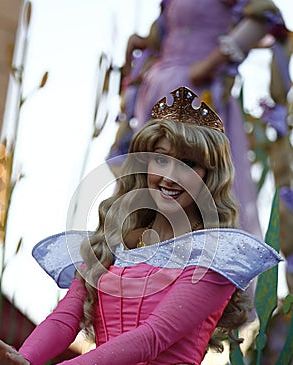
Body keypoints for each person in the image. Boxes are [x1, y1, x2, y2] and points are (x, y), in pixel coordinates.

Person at [0, 87, 281, 365]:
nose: (171, 176)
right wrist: (23, 361)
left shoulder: (215, 254)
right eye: (161, 160)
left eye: (189, 164)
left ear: (210, 176)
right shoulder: (111, 246)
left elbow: (153, 337)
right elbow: (66, 317)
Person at [107, 0, 288, 237]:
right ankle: (142, 255)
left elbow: (265, 16)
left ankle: (195, 260)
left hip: (197, 94)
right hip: (158, 90)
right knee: (150, 179)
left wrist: (209, 64)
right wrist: (141, 44)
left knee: (189, 179)